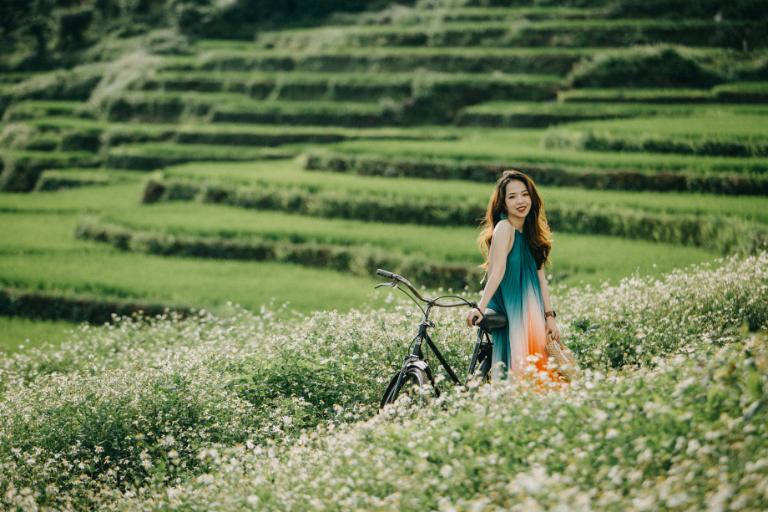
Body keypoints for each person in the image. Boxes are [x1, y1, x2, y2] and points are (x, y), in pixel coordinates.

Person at [465, 169, 567, 389]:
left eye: (524, 194)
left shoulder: (532, 233)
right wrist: (479, 308)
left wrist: (550, 317)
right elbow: (497, 272)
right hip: (513, 309)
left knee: (538, 372)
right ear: (503, 203)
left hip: (533, 312)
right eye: (512, 196)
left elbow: (541, 278)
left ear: (532, 197)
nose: (520, 201)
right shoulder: (505, 228)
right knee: (523, 373)